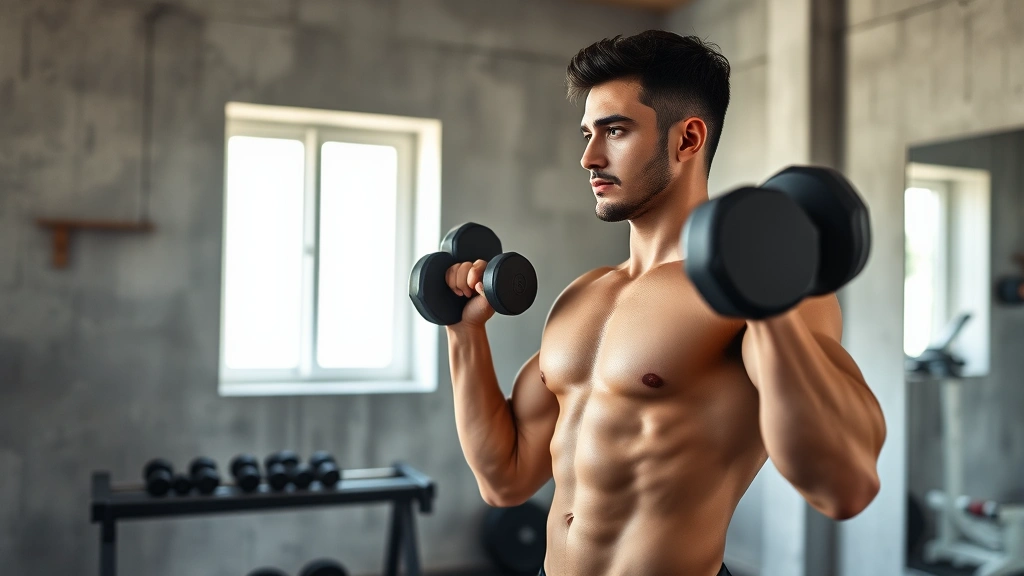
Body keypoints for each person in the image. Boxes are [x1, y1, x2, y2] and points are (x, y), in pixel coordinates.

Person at [444, 30, 886, 576]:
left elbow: (845, 483)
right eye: (587, 133)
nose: (588, 157)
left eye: (615, 130)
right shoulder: (582, 296)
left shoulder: (762, 293)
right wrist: (465, 333)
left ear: (687, 139)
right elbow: (504, 479)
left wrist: (768, 307)